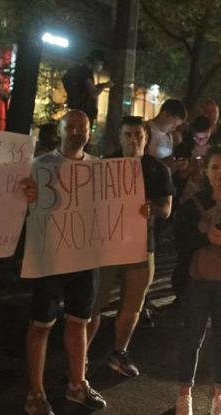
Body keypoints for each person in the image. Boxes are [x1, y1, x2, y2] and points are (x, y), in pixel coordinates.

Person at [24, 110, 107, 415]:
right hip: (49, 259)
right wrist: (26, 196)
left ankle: (77, 384)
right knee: (41, 325)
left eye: (81, 128)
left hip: (85, 260)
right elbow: (20, 207)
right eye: (69, 127)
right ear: (59, 131)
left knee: (79, 322)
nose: (76, 132)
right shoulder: (39, 167)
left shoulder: (101, 169)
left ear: (89, 132)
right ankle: (35, 393)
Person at [87, 116, 174, 377]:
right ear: (120, 137)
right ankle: (82, 354)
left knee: (132, 304)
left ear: (146, 138)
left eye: (138, 134)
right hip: (106, 245)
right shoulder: (105, 165)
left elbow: (166, 210)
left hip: (140, 245)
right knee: (94, 303)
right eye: (128, 134)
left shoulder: (158, 170)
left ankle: (119, 352)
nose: (133, 139)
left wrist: (152, 209)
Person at [174, 145, 221, 415]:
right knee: (192, 337)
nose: (220, 173)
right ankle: (184, 396)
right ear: (206, 170)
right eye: (215, 167)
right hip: (199, 280)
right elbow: (181, 241)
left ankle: (219, 397)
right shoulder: (193, 203)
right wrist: (206, 237)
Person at [61, 50, 108, 125]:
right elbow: (94, 93)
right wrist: (105, 85)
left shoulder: (76, 70)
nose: (101, 66)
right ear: (96, 61)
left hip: (75, 108)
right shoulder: (86, 72)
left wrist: (100, 85)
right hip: (84, 112)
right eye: (101, 63)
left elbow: (84, 89)